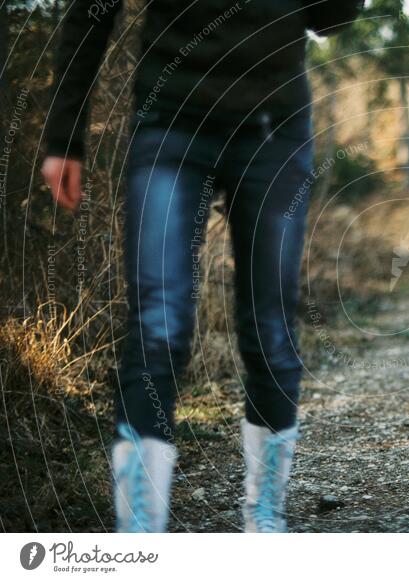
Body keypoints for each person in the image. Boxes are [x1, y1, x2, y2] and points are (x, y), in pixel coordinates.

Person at [40, 0, 363, 533]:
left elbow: (331, 17)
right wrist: (62, 135)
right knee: (157, 326)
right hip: (172, 121)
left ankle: (265, 517)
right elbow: (90, 11)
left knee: (271, 327)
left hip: (273, 127)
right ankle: (139, 537)